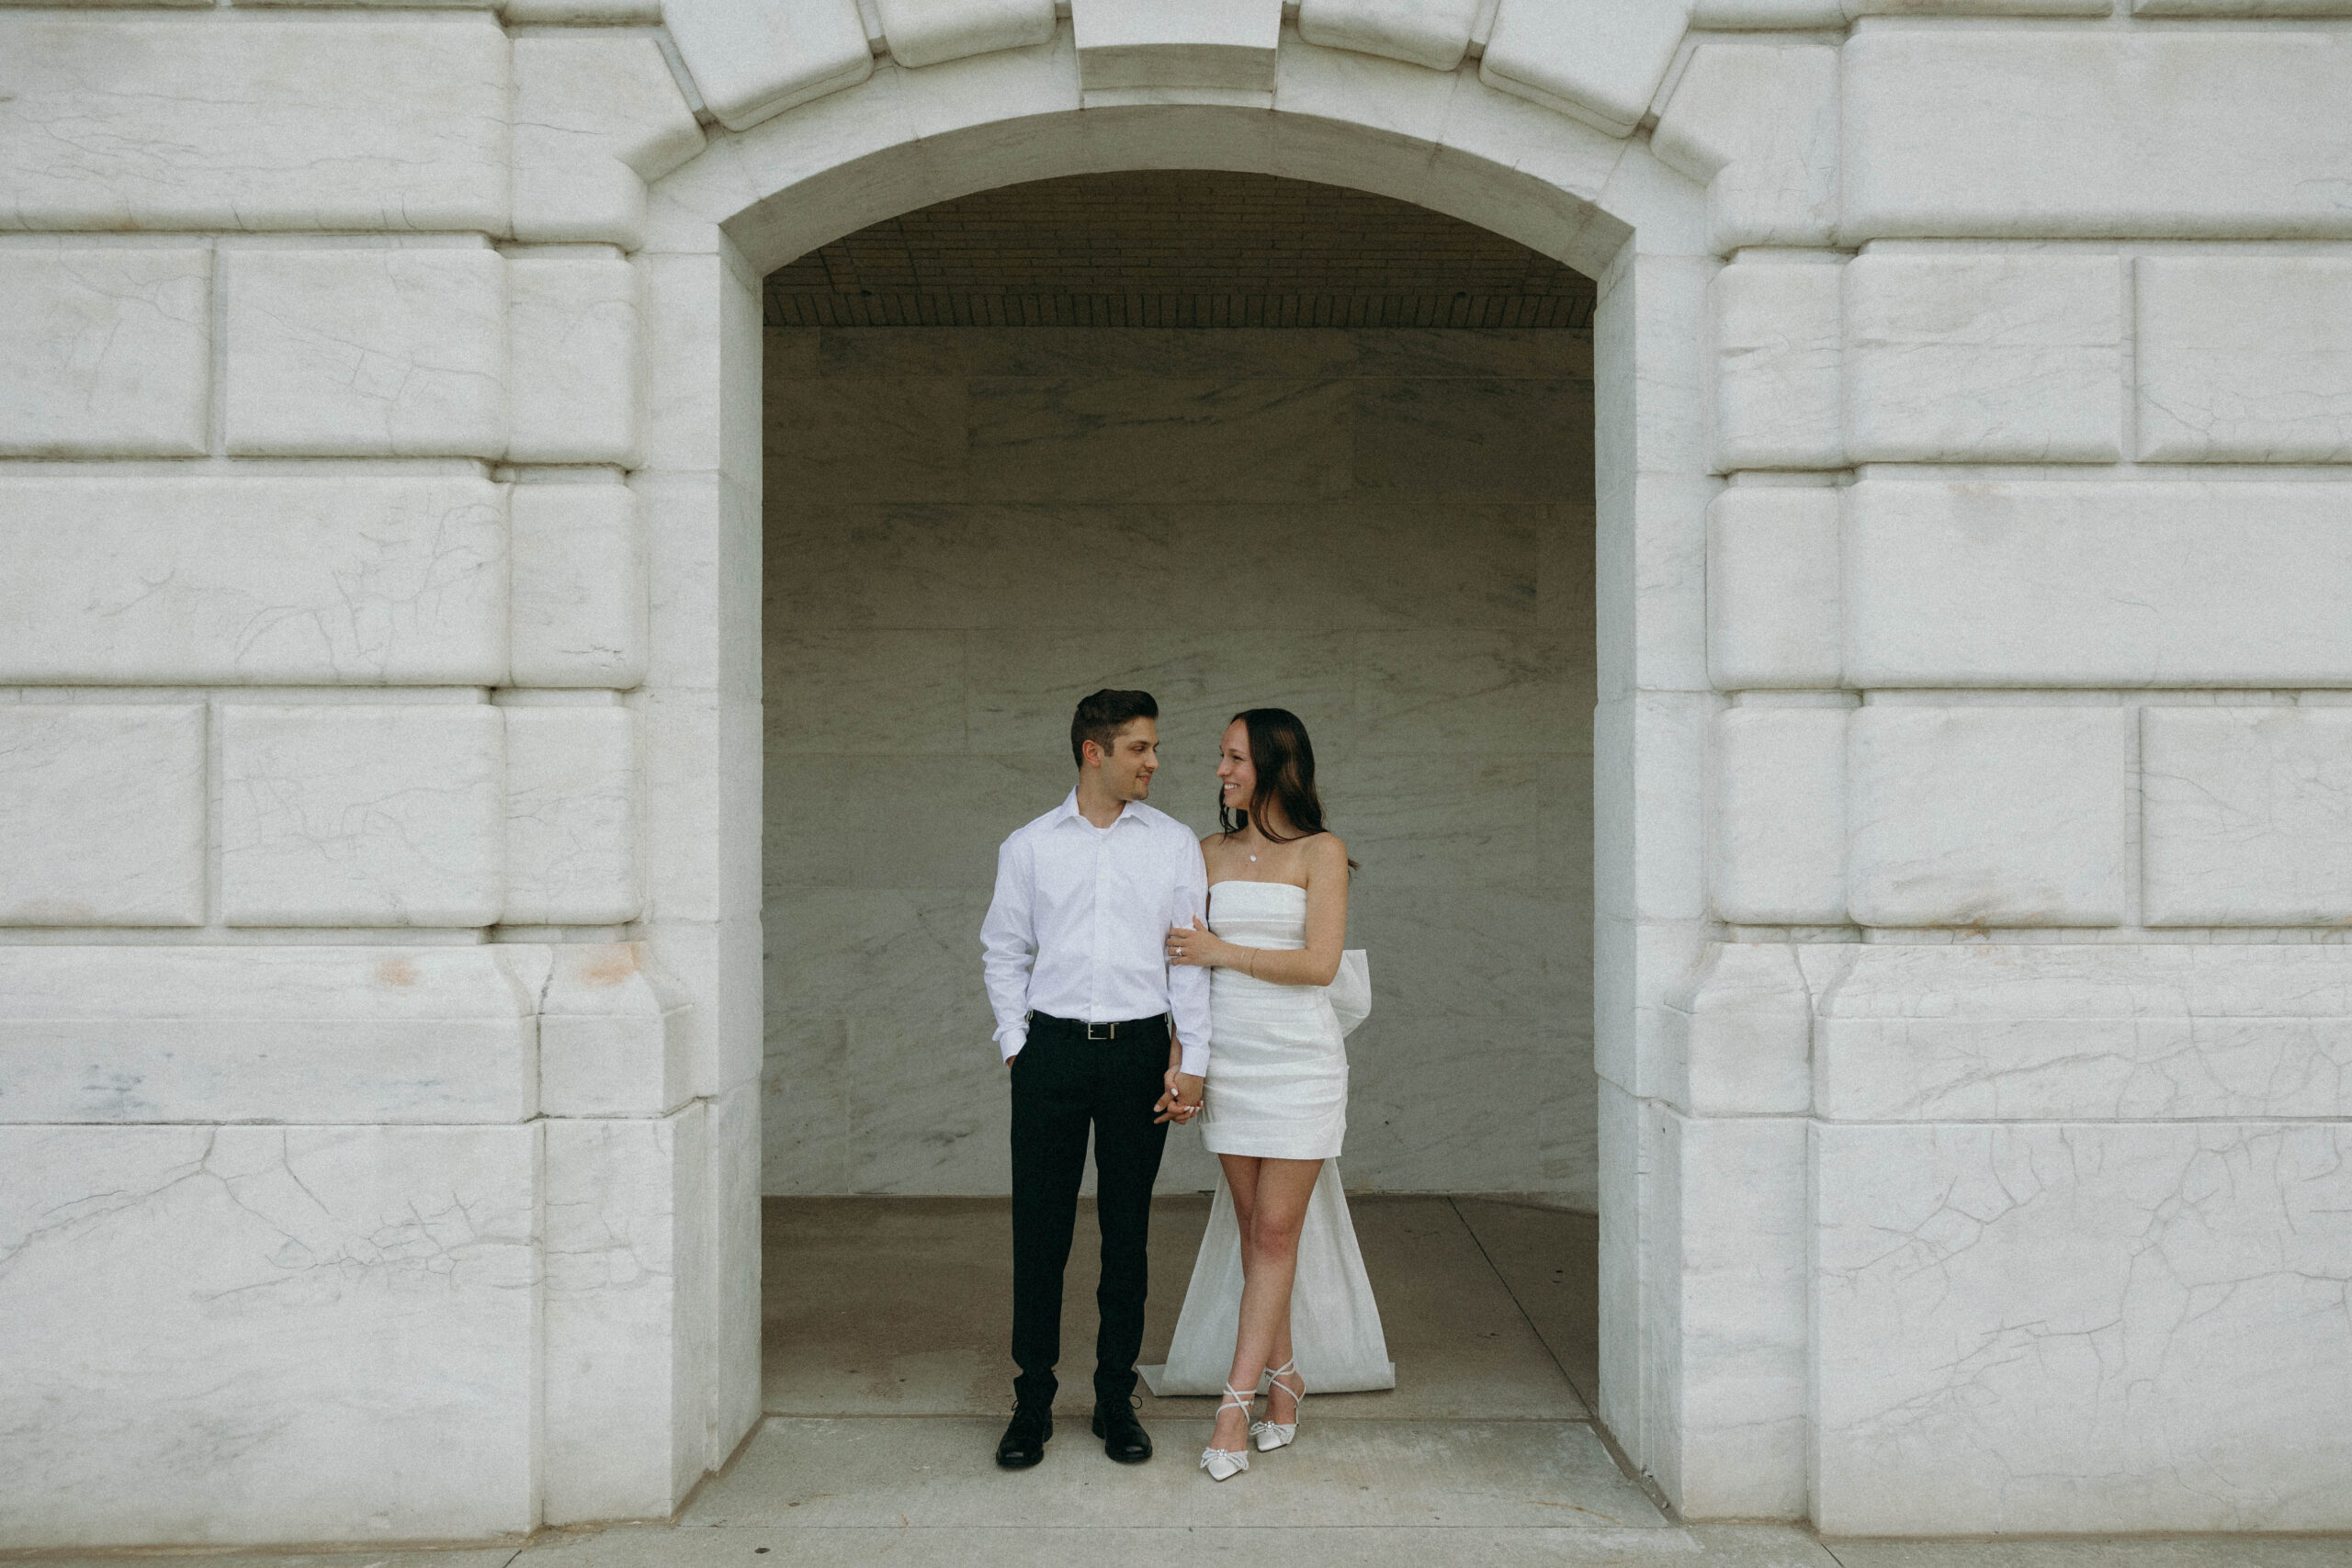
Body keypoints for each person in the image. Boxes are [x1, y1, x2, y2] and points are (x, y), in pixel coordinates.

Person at [979, 688, 1209, 1471]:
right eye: (1140, 747)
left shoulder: (1175, 843)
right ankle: (1032, 1402)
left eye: (1153, 747)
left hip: (1140, 1054)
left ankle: (1115, 1397)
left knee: (1128, 1232)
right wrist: (1019, 1044)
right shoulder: (1031, 846)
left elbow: (1190, 961)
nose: (1154, 761)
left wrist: (1192, 1061)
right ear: (1094, 751)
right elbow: (1003, 949)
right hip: (1052, 1054)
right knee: (1039, 1232)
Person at [1162, 707, 1384, 1482]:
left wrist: (1223, 948)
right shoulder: (1205, 851)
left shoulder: (1323, 852)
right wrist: (1182, 1062)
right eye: (1221, 758)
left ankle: (1234, 1402)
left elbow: (1320, 964)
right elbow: (1184, 974)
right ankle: (1285, 1379)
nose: (1221, 770)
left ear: (1275, 764)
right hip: (1230, 1065)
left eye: (1233, 757)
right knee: (1259, 1230)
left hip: (1300, 1064)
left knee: (1277, 1234)